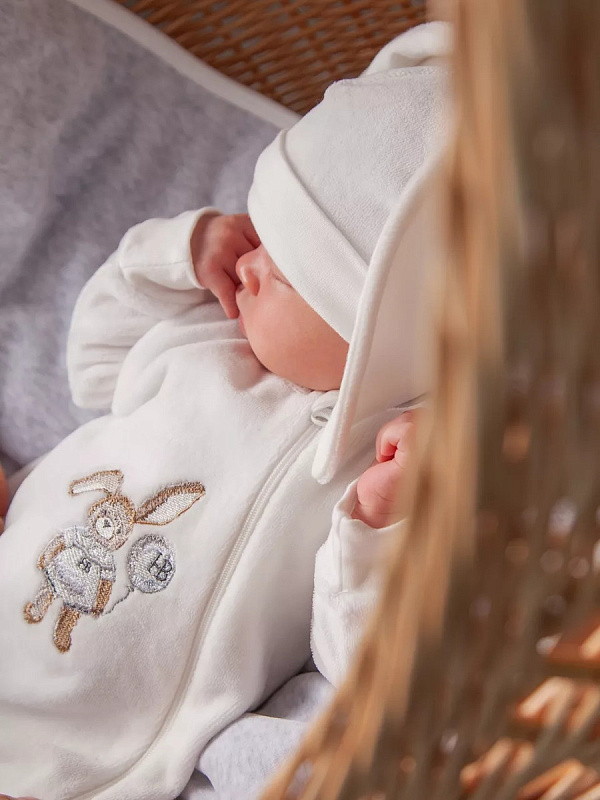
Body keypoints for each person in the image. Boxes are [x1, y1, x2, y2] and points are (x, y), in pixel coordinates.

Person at [0, 23, 445, 800]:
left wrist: (378, 523)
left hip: (106, 747)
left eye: (283, 264)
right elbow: (92, 363)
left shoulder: (370, 467)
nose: (249, 262)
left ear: (372, 332)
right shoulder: (208, 337)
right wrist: (177, 255)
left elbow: (358, 659)